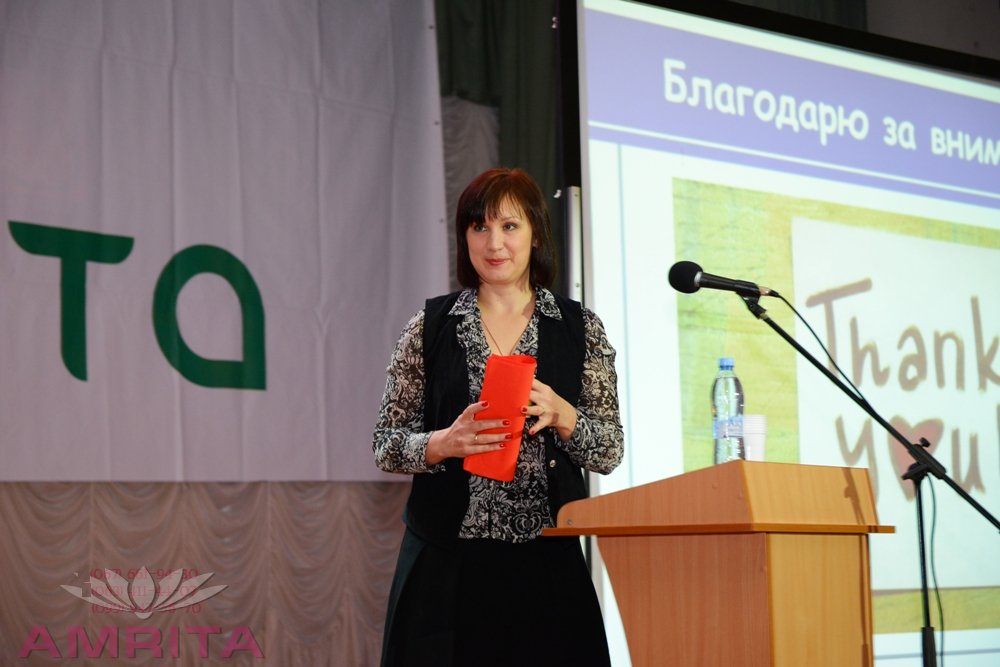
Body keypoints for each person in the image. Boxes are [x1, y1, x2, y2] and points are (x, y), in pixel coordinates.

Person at [372, 167, 624, 666]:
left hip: (547, 565)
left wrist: (565, 415)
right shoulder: (430, 326)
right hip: (446, 566)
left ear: (535, 234)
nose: (494, 243)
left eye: (509, 226)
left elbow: (609, 451)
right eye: (479, 227)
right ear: (464, 237)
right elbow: (386, 444)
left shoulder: (579, 329)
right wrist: (443, 442)